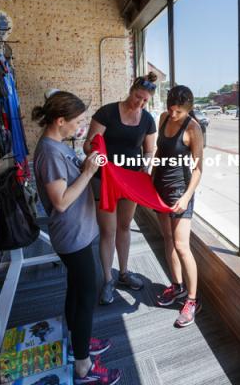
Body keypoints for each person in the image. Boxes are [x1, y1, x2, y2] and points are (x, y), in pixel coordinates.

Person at [32, 91, 120, 385]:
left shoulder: (56, 146)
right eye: (78, 122)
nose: (82, 127)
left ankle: (76, 342)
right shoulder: (50, 152)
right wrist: (89, 171)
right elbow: (60, 201)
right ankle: (83, 366)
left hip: (78, 233)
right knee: (85, 299)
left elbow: (71, 178)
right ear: (60, 121)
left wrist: (86, 164)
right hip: (72, 237)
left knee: (76, 291)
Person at [84, 72, 157, 305]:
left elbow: (149, 151)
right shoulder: (107, 112)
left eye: (145, 100)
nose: (140, 103)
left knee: (124, 227)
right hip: (104, 179)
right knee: (108, 230)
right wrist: (94, 149)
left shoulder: (147, 119)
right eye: (138, 97)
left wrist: (146, 170)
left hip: (131, 180)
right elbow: (88, 145)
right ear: (131, 90)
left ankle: (123, 273)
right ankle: (108, 279)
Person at [153, 85, 204, 327]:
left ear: (189, 110)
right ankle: (177, 287)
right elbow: (158, 152)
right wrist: (149, 181)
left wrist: (185, 197)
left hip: (180, 190)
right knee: (167, 239)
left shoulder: (193, 129)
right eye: (171, 110)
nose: (173, 115)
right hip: (160, 187)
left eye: (179, 112)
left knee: (182, 245)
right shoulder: (163, 118)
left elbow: (198, 169)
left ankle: (192, 300)